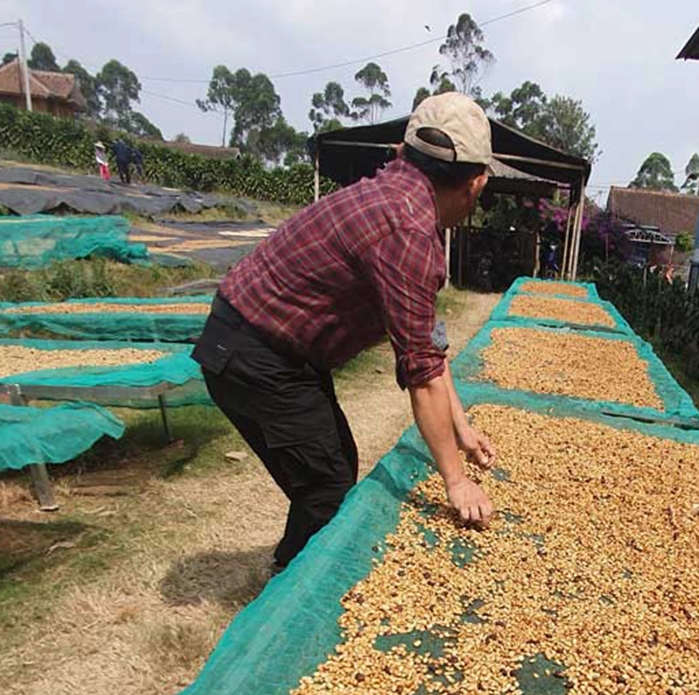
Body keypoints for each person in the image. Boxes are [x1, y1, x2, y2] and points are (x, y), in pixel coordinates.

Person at [192, 92, 498, 571]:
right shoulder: (410, 231)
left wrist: (460, 427)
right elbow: (421, 374)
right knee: (327, 488)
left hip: (267, 344)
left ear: (406, 152)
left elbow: (428, 344)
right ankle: (286, 595)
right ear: (475, 184)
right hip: (254, 353)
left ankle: (291, 570)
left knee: (333, 466)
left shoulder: (394, 188)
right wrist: (456, 482)